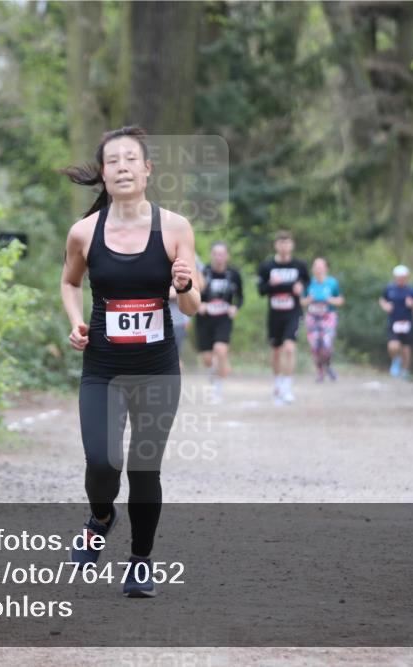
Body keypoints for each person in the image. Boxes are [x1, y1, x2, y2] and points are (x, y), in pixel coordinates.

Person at [60, 126, 201, 598]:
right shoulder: (84, 232)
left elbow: (192, 307)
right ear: (103, 173)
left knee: (144, 470)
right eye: (112, 160)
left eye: (130, 159)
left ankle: (140, 562)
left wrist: (183, 286)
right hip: (102, 369)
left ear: (146, 170)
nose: (121, 166)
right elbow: (70, 283)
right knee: (101, 464)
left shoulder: (176, 227)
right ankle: (101, 516)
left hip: (158, 369)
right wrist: (77, 321)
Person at [257, 231, 309, 404]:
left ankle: (287, 387)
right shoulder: (267, 266)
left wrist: (301, 288)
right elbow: (261, 290)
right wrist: (270, 284)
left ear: (292, 245)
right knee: (276, 352)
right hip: (275, 314)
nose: (284, 246)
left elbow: (307, 283)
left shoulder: (300, 265)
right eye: (281, 243)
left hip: (293, 313)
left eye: (287, 243)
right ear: (276, 245)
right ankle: (278, 383)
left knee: (289, 348)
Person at [195, 241, 244, 404]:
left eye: (222, 254)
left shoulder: (233, 274)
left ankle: (217, 389)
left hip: (223, 318)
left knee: (220, 350)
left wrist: (235, 307)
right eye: (215, 254)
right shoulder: (204, 271)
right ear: (211, 255)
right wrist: (198, 304)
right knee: (208, 359)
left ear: (227, 256)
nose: (218, 257)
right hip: (205, 319)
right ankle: (218, 374)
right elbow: (193, 291)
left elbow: (240, 297)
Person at [301, 258, 344, 382]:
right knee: (315, 346)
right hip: (312, 317)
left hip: (328, 316)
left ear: (326, 268)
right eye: (316, 266)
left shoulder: (332, 283)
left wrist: (330, 300)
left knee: (326, 344)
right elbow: (301, 301)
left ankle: (328, 365)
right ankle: (320, 372)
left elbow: (340, 300)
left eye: (321, 266)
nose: (318, 269)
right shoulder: (308, 283)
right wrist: (308, 300)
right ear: (313, 269)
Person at [379, 264, 413, 379]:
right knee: (393, 346)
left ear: (407, 277)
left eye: (403, 277)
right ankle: (396, 360)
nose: (400, 279)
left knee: (406, 348)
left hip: (407, 322)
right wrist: (385, 306)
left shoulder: (411, 290)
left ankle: (406, 370)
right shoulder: (389, 289)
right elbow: (382, 299)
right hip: (393, 322)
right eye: (398, 277)